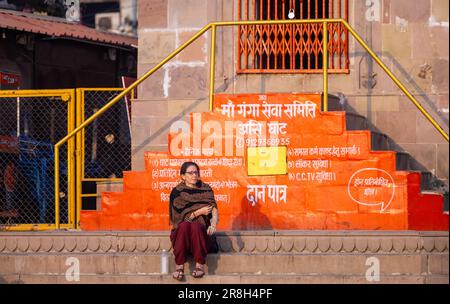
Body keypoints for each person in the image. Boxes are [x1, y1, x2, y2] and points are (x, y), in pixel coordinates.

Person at [169, 161, 218, 281]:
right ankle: (179, 266)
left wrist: (213, 224)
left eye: (196, 172)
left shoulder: (205, 189)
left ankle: (199, 265)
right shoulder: (177, 192)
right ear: (183, 176)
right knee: (185, 226)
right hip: (182, 235)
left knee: (196, 226)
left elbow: (214, 208)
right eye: (190, 173)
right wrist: (198, 212)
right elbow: (180, 221)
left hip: (202, 235)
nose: (194, 175)